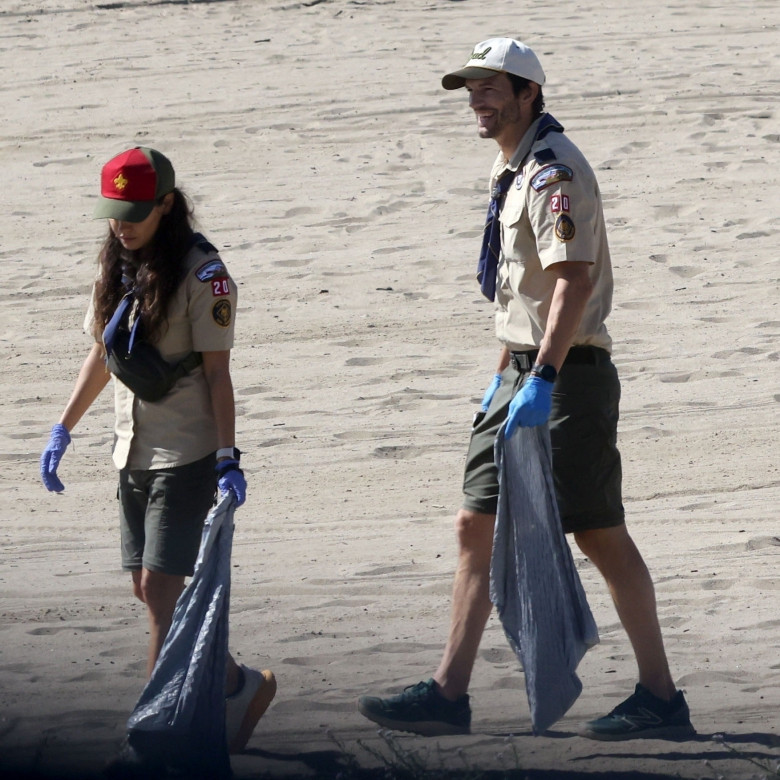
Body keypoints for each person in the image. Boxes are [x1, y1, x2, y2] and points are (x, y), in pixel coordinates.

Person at [357, 39, 694, 741]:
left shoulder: (552, 173)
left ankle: (661, 696)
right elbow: (523, 292)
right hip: (520, 369)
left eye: (490, 88)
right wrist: (500, 375)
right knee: (472, 523)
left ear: (528, 94)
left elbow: (572, 282)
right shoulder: (512, 168)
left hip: (566, 377)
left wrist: (539, 377)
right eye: (470, 89)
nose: (477, 100)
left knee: (597, 531)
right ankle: (448, 692)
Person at [39, 147, 276, 753]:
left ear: (167, 205)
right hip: (132, 452)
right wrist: (63, 428)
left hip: (188, 451)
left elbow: (219, 373)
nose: (123, 223)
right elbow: (105, 352)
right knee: (148, 591)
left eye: (136, 212)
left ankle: (151, 732)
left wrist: (228, 456)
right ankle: (237, 685)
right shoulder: (117, 267)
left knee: (161, 589)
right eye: (115, 212)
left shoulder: (205, 274)